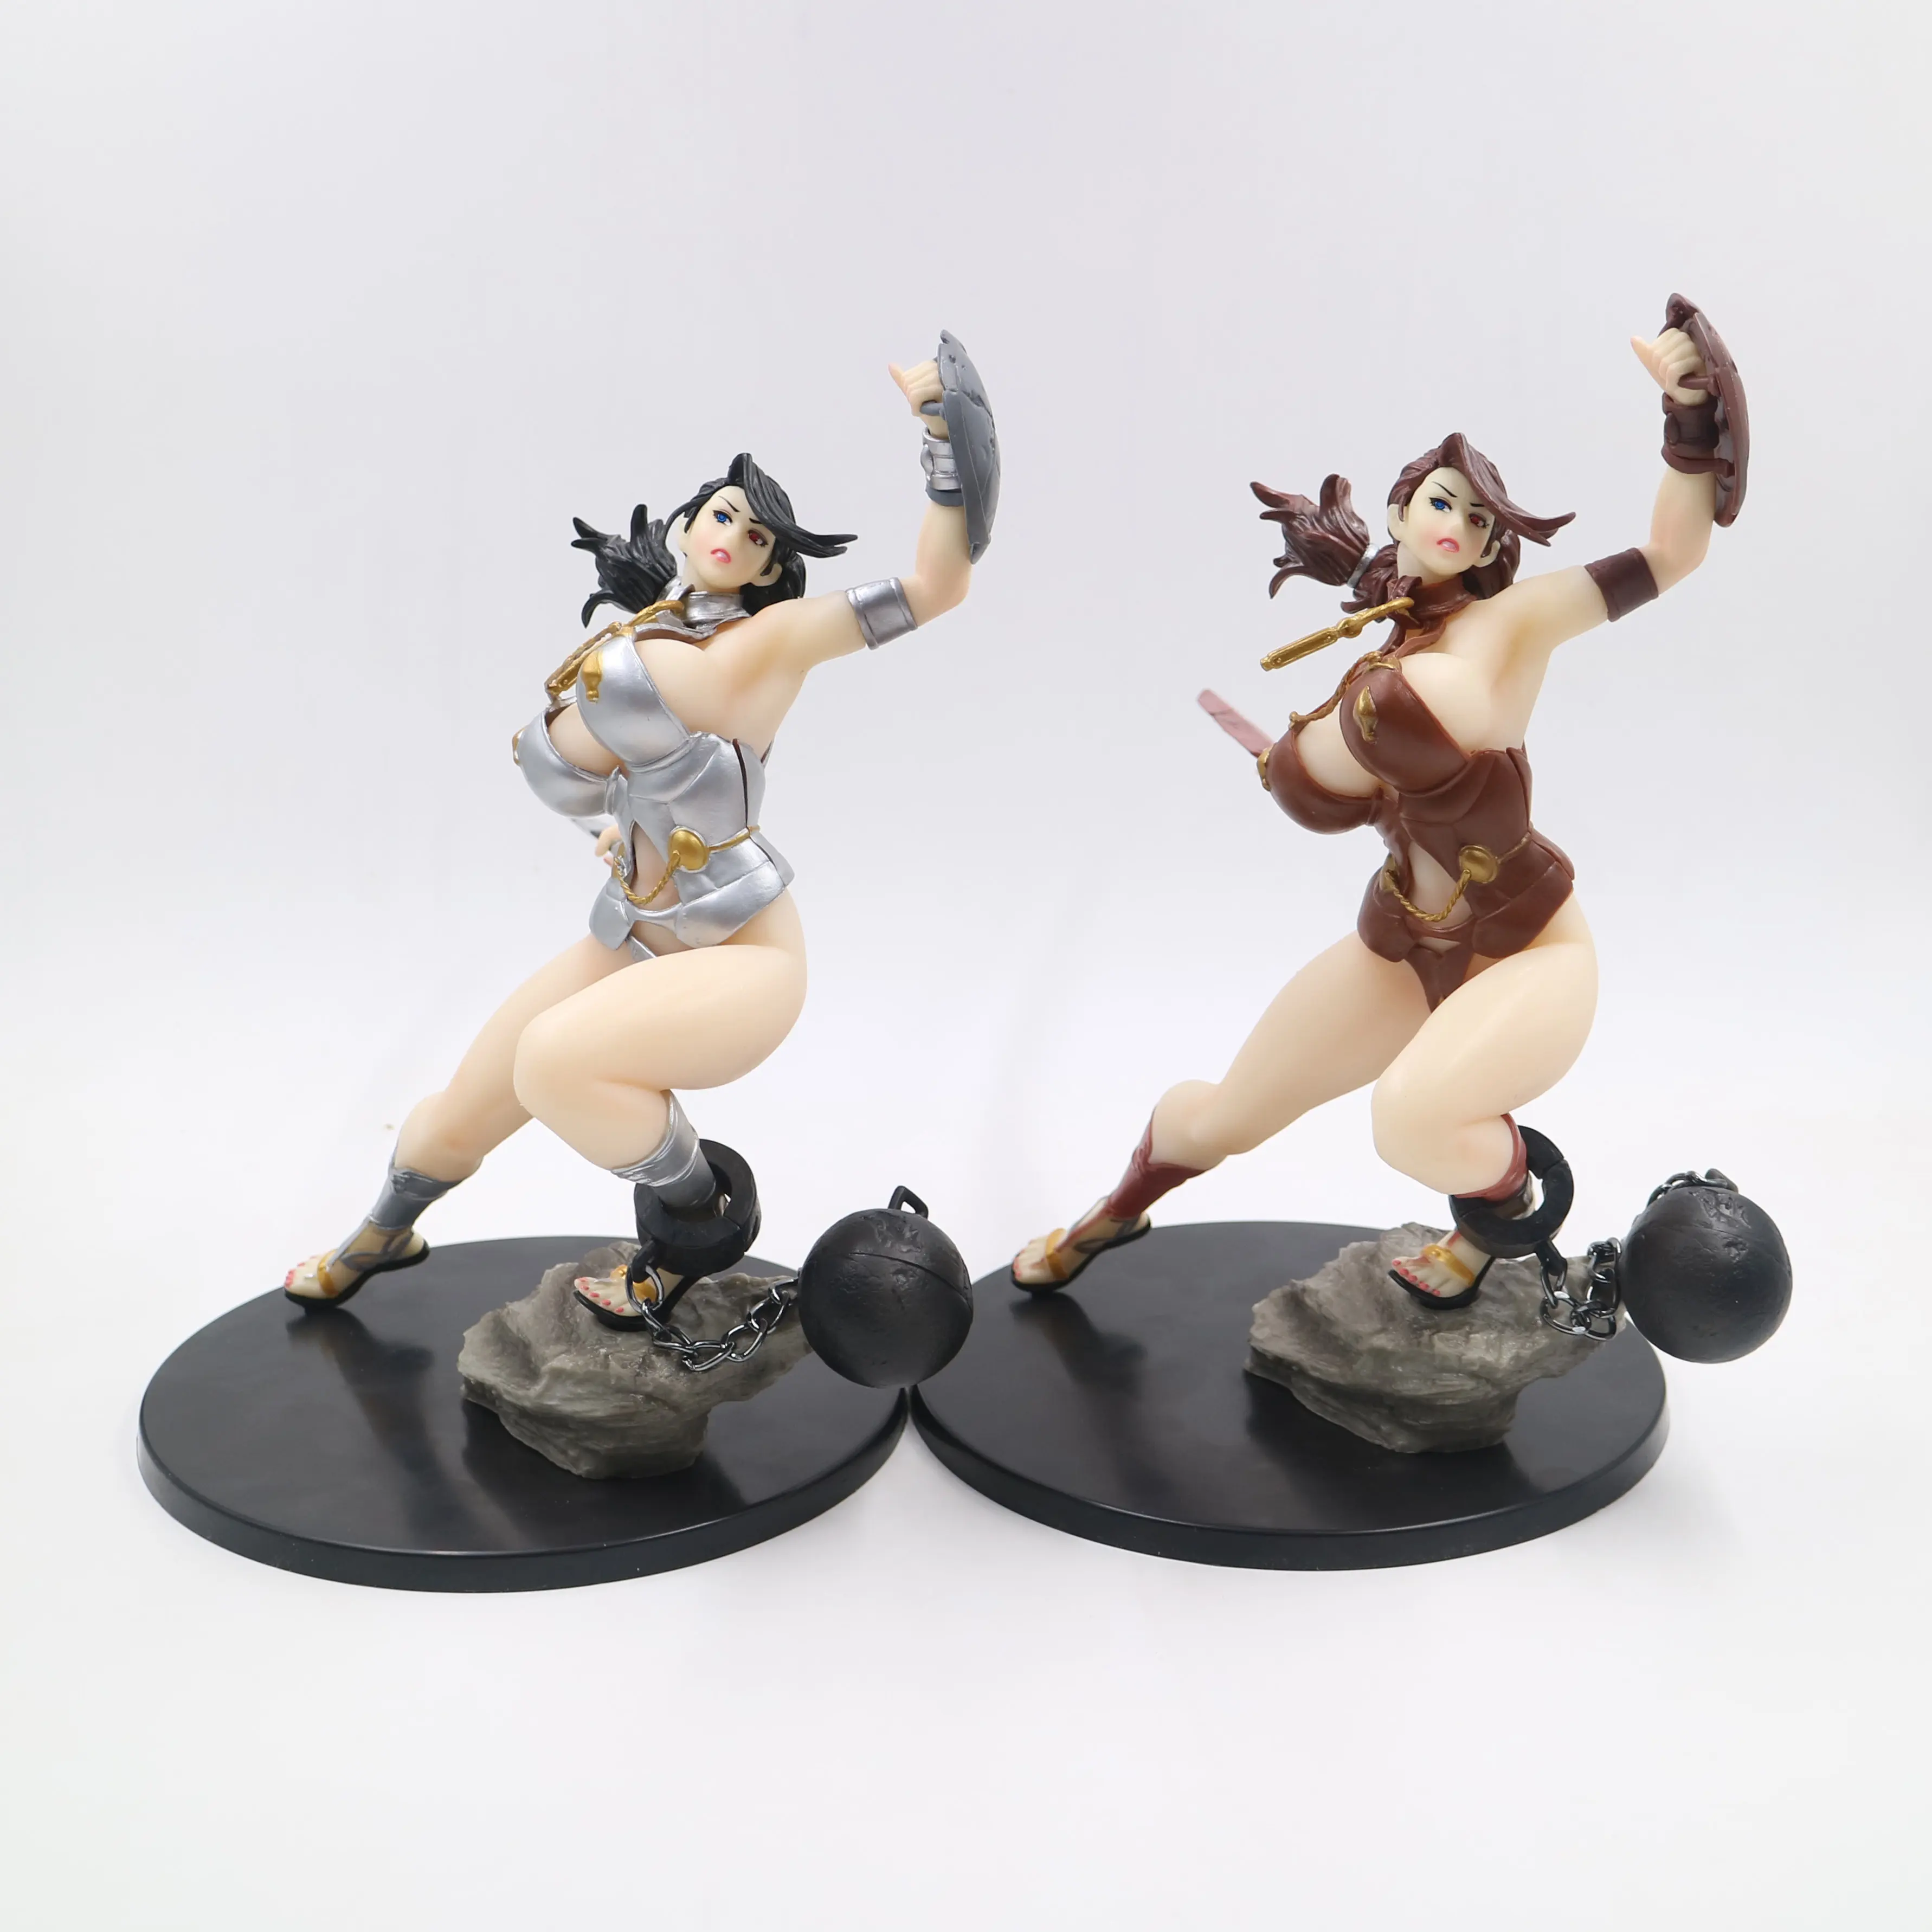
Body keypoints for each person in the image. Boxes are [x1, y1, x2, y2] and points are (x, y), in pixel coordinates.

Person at [1013, 300, 1746, 1307]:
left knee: (1412, 1118)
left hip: (1530, 948)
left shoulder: (1514, 623)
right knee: (1226, 1113)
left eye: (1480, 519)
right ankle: (1114, 1212)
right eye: (1442, 503)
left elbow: (1671, 553)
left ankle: (1504, 1212)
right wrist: (1294, 757)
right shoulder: (1382, 652)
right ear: (1401, 514)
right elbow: (1334, 798)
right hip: (1405, 941)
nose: (1460, 526)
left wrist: (1690, 418)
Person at [287, 342, 996, 1327]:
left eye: (757, 536)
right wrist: (618, 822)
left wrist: (944, 439)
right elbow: (573, 771)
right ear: (685, 526)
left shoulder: (772, 641)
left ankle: (699, 1219)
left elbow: (936, 585)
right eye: (721, 515)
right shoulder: (632, 639)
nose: (733, 536)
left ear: (771, 568)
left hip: (743, 957)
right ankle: (380, 1236)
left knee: (555, 1062)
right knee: (464, 1103)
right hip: (630, 932)